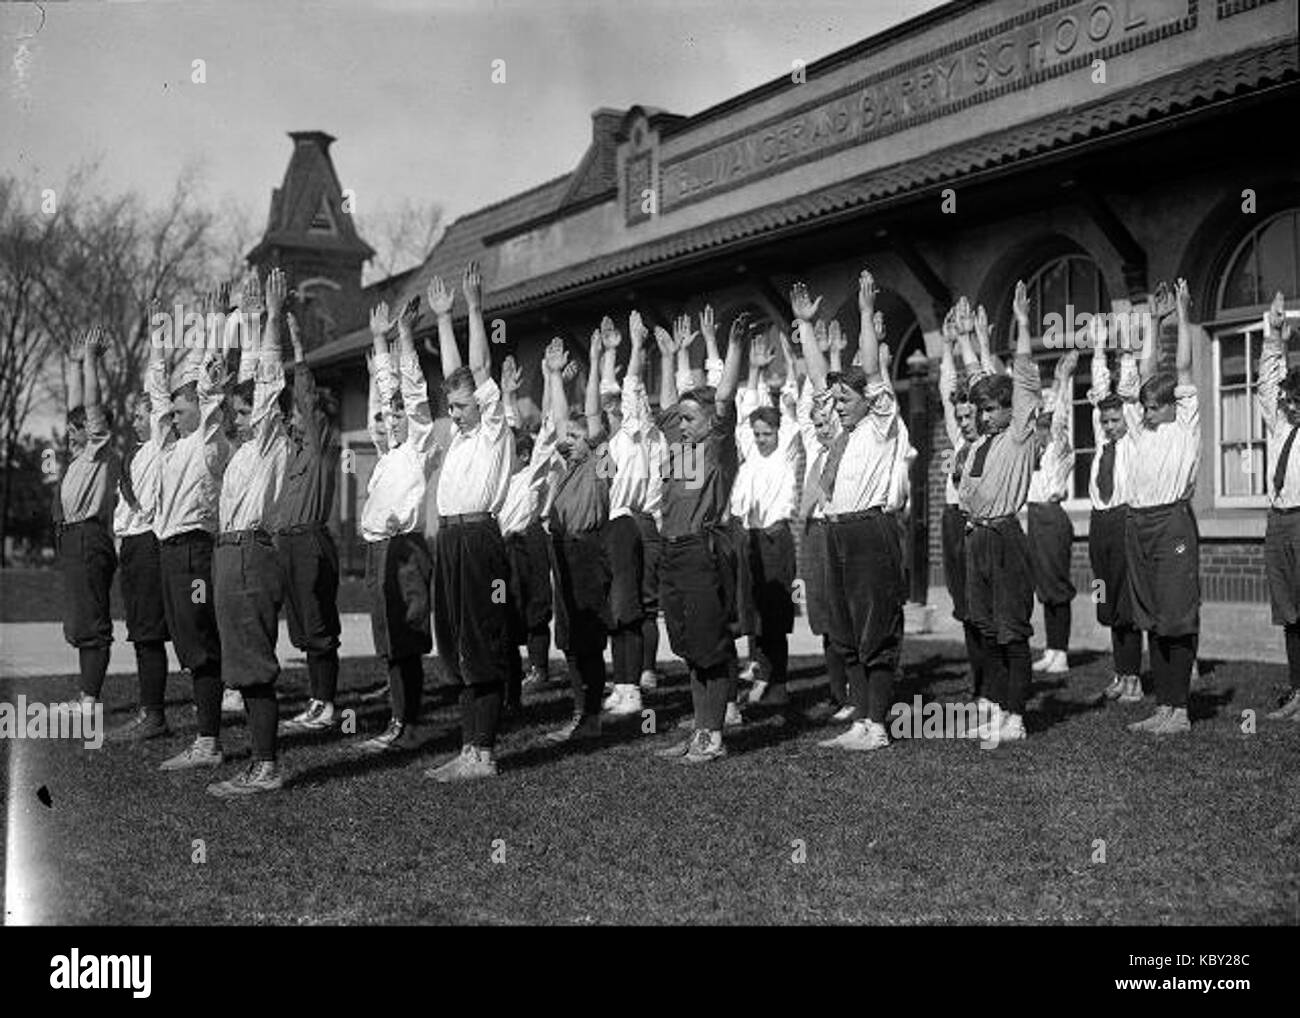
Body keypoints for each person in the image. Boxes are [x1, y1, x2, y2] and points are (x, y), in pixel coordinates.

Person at [797, 271, 904, 752]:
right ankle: (860, 720)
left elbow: (873, 375)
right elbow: (821, 380)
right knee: (846, 629)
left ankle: (878, 725)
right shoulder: (840, 434)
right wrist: (804, 327)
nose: (836, 406)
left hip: (870, 532)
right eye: (836, 401)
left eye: (846, 400)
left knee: (874, 625)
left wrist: (863, 313)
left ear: (869, 403)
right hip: (838, 533)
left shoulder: (881, 426)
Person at [423, 263, 515, 782]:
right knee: (456, 640)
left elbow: (478, 372)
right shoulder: (460, 434)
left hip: (480, 539)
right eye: (450, 407)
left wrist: (474, 309)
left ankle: (484, 752)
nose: (454, 413)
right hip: (452, 540)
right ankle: (467, 749)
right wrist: (442, 319)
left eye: (460, 407)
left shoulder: (492, 429)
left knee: (480, 641)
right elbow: (457, 375)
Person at [206, 270, 294, 797]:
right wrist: (224, 324)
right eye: (241, 412)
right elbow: (215, 390)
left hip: (251, 554)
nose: (244, 418)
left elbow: (266, 383)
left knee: (255, 664)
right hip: (228, 553)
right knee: (239, 660)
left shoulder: (269, 444)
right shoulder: (237, 453)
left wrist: (269, 320)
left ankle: (267, 766)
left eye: (250, 411)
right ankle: (262, 763)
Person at [652, 309, 746, 763]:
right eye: (682, 420)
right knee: (689, 646)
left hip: (700, 551)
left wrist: (733, 347)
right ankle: (699, 731)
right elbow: (672, 404)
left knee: (708, 644)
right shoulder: (679, 447)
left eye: (692, 419)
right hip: (670, 552)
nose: (683, 424)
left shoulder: (715, 445)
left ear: (710, 421)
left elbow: (724, 396)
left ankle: (713, 734)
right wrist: (674, 355)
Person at [150, 285, 234, 771]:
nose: (173, 415)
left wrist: (214, 324)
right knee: (187, 643)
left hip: (195, 555)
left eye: (182, 411)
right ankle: (207, 736)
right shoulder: (172, 444)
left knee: (201, 643)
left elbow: (209, 384)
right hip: (168, 553)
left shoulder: (207, 439)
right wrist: (160, 336)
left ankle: (209, 742)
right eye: (174, 412)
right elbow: (159, 390)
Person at [957, 280, 1042, 745]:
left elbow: (1025, 380)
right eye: (981, 410)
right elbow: (979, 383)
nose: (985, 416)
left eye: (992, 410)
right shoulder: (979, 444)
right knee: (986, 628)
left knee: (1011, 629)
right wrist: (971, 340)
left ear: (1013, 412)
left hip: (1007, 538)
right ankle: (993, 705)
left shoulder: (1018, 437)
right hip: (977, 538)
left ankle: (1016, 714)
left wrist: (1024, 324)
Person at [356, 295, 438, 755]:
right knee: (387, 638)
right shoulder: (388, 453)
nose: (393, 419)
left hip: (404, 550)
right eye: (389, 419)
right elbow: (387, 398)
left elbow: (411, 394)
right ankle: (397, 718)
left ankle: (409, 723)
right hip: (377, 550)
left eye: (399, 416)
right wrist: (377, 345)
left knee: (406, 638)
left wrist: (403, 339)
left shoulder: (418, 443)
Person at [1119, 279, 1200, 736]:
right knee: (1151, 615)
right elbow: (1149, 369)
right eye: (1145, 406)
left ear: (1172, 406)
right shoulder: (1139, 430)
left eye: (1154, 407)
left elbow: (1181, 367)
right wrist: (1152, 319)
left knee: (1176, 615)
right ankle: (1163, 707)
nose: (1146, 412)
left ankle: (1181, 709)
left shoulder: (1183, 422)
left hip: (1171, 523)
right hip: (1137, 522)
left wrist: (1181, 315)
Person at [542, 335, 614, 742]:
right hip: (561, 549)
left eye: (575, 435)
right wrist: (554, 377)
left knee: (587, 638)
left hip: (587, 551)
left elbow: (591, 415)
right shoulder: (567, 464)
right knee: (568, 638)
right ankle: (579, 713)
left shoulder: (600, 463)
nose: (566, 440)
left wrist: (593, 358)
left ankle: (591, 716)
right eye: (566, 436)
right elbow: (557, 420)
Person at [276, 308, 344, 735]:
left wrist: (299, 352)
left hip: (310, 543)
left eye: (298, 413)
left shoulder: (320, 446)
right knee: (302, 628)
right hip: (289, 543)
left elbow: (305, 396)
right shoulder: (295, 452)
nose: (292, 417)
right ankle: (316, 701)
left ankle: (326, 705)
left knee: (318, 629)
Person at [108, 315, 173, 742]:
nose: (133, 420)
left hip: (150, 545)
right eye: (132, 413)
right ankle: (148, 711)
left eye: (139, 412)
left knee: (149, 630)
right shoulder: (133, 455)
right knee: (138, 630)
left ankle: (154, 716)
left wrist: (158, 342)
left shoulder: (161, 444)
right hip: (131, 547)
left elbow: (159, 392)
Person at [731, 328, 800, 708]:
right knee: (752, 611)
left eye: (767, 433)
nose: (761, 439)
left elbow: (793, 407)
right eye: (757, 433)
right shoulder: (751, 452)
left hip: (776, 537)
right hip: (750, 537)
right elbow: (744, 414)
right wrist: (754, 372)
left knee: (775, 614)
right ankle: (758, 672)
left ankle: (778, 683)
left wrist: (790, 359)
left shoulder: (786, 450)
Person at [58, 326, 120, 717]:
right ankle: (85, 698)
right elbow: (76, 409)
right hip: (74, 539)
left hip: (89, 538)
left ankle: (90, 701)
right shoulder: (81, 453)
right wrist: (77, 364)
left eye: (76, 429)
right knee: (80, 621)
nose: (68, 432)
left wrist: (94, 359)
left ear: (92, 431)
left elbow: (91, 409)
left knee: (92, 623)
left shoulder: (98, 450)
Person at [596, 313, 656, 717]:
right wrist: (609, 351)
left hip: (628, 525)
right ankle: (621, 683)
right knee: (614, 612)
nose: (613, 409)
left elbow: (631, 389)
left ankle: (633, 687)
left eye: (619, 406)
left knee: (628, 607)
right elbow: (607, 393)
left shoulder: (638, 433)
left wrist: (635, 348)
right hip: (610, 525)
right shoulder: (612, 443)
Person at [1084, 316, 1144, 705]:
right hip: (1098, 525)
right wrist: (1098, 349)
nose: (1109, 425)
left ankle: (1134, 678)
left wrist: (1125, 352)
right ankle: (1118, 673)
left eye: (1115, 419)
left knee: (1126, 602)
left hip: (1123, 520)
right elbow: (1099, 391)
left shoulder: (1132, 436)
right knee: (1104, 598)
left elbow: (1124, 392)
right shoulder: (1102, 440)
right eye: (1104, 420)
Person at [498, 354, 559, 714]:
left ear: (523, 454)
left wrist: (551, 380)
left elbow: (548, 433)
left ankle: (539, 668)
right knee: (502, 613)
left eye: (512, 452)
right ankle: (508, 687)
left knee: (535, 607)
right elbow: (506, 430)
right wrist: (507, 395)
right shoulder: (498, 477)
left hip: (529, 542)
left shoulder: (531, 473)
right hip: (501, 549)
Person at [937, 305, 986, 702]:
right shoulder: (958, 442)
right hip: (952, 520)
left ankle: (992, 680)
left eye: (969, 416)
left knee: (981, 603)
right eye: (959, 417)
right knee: (963, 605)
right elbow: (945, 388)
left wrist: (970, 340)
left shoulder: (987, 441)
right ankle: (978, 677)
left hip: (978, 522)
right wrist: (948, 345)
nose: (964, 422)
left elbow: (985, 385)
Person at [1259, 291, 1300, 722]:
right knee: (1290, 612)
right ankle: (1297, 690)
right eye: (1287, 400)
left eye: (1295, 400)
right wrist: (1274, 338)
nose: (1287, 405)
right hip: (1279, 521)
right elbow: (1268, 383)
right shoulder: (1280, 424)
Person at [1027, 352, 1079, 674]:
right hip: (1034, 517)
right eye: (1038, 424)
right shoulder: (1033, 449)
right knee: (1044, 588)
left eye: (1044, 424)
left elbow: (1059, 415)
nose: (1041, 429)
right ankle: (1051, 647)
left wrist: (1063, 381)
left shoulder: (1058, 447)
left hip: (1052, 517)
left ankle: (1061, 651)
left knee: (1056, 588)